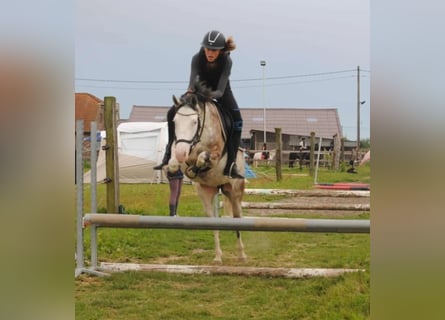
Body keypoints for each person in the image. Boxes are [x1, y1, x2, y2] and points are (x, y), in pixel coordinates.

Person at [154, 30, 244, 179]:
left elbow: (220, 91)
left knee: (238, 121)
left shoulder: (227, 61)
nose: (210, 52)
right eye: (208, 48)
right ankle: (168, 154)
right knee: (172, 112)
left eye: (214, 50)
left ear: (221, 51)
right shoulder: (197, 58)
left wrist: (206, 96)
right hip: (197, 90)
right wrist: (190, 94)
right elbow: (192, 83)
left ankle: (231, 164)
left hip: (220, 92)